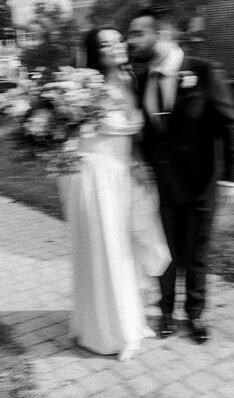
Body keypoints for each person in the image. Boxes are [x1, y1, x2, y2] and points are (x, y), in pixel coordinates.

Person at [127, 8, 234, 344]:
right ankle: (165, 311)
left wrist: (232, 177)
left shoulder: (204, 71)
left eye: (137, 33)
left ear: (162, 35)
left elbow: (228, 124)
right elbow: (145, 131)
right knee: (164, 250)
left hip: (199, 184)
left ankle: (195, 314)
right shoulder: (140, 78)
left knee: (196, 253)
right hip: (160, 186)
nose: (130, 41)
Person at [59, 27, 171, 361]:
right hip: (95, 175)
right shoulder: (82, 86)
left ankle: (130, 320)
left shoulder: (131, 80)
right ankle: (110, 332)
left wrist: (139, 164)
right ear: (95, 52)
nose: (116, 46)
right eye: (105, 43)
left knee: (127, 249)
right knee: (105, 249)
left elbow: (135, 135)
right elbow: (69, 133)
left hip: (125, 174)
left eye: (118, 40)